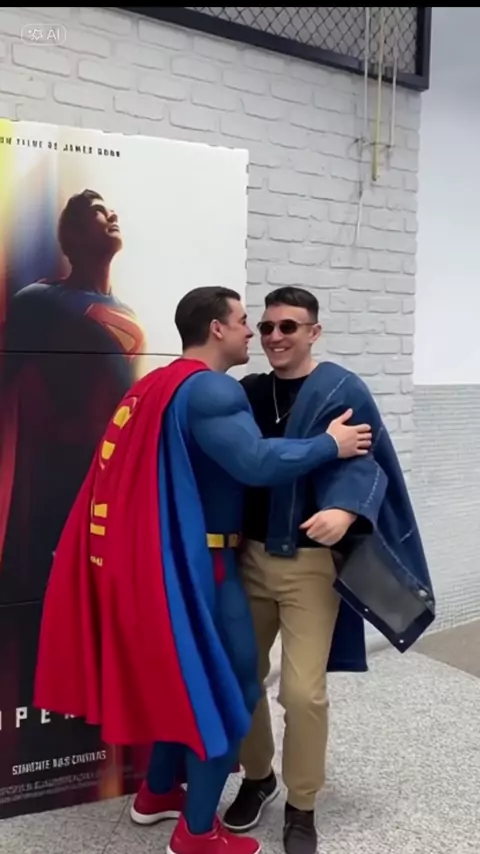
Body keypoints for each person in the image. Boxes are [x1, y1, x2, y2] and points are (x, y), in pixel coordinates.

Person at [33, 286, 372, 854]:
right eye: (244, 322)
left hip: (162, 565)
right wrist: (329, 445)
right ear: (216, 328)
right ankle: (196, 832)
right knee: (229, 694)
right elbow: (256, 462)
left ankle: (157, 792)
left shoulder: (153, 385)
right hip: (205, 569)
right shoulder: (213, 388)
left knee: (182, 686)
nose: (254, 333)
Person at [222, 286, 435, 854]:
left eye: (288, 327)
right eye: (266, 327)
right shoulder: (249, 391)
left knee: (302, 693)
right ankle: (258, 777)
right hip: (247, 559)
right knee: (240, 679)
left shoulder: (341, 389)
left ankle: (302, 803)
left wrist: (345, 510)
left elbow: (365, 460)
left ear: (314, 332)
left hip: (309, 568)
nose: (274, 337)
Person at [0, 189, 145, 605]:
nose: (112, 215)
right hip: (54, 472)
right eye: (99, 211)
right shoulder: (40, 300)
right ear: (75, 235)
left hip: (110, 471)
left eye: (111, 209)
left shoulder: (127, 314)